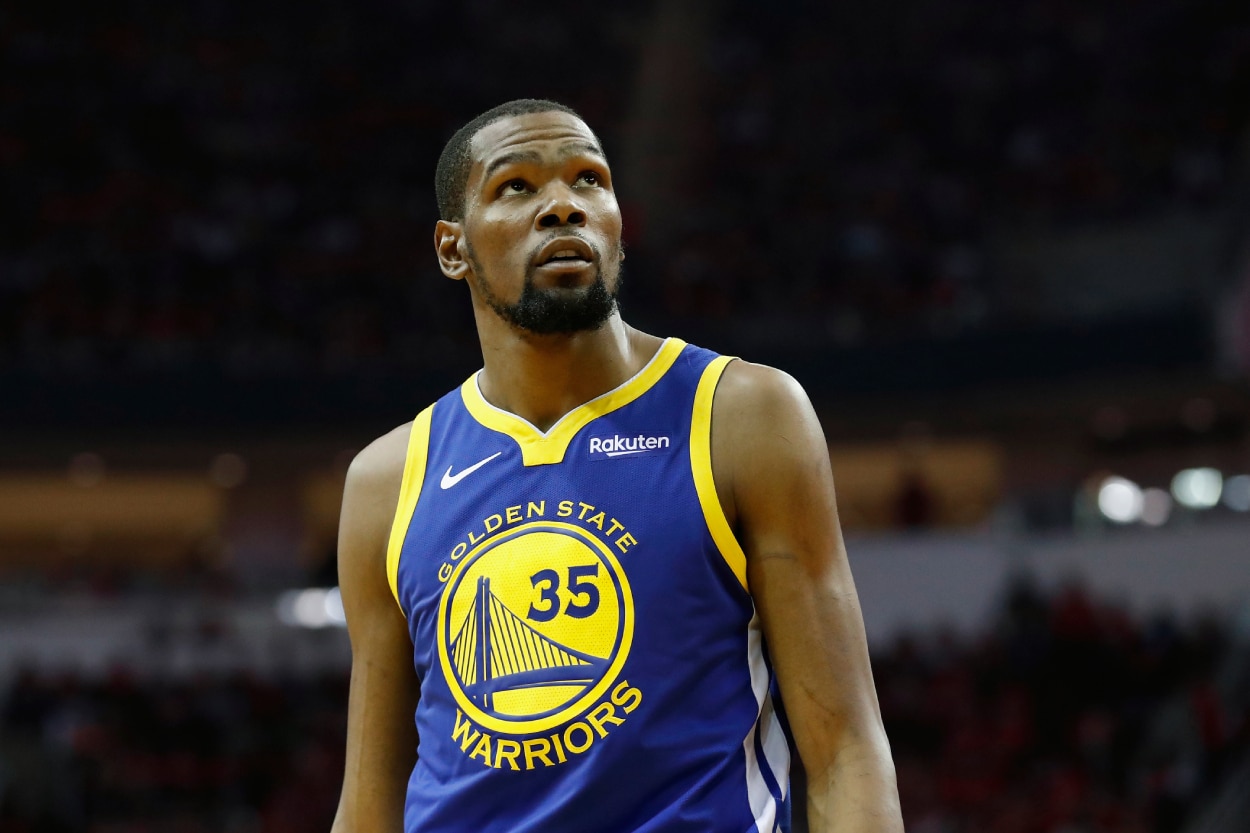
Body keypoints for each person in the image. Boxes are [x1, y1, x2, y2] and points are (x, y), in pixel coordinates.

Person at [332, 98, 902, 833]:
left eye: (589, 180)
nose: (562, 205)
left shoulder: (742, 415)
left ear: (619, 229)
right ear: (453, 249)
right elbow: (369, 802)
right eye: (517, 187)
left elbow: (846, 749)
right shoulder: (386, 480)